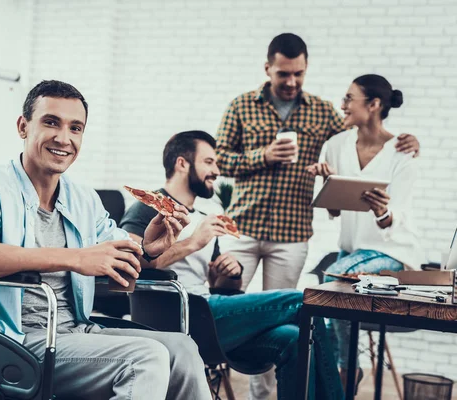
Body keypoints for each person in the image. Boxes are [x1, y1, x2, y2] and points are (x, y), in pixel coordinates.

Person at [0, 80, 212, 400]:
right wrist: (74, 257)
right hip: (8, 342)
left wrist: (147, 249)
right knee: (145, 360)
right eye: (51, 122)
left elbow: (118, 257)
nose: (63, 138)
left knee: (182, 349)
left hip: (74, 332)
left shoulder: (83, 199)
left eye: (75, 128)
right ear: (23, 126)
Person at [215, 32, 420, 398]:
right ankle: (225, 384)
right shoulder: (241, 106)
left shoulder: (324, 112)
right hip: (242, 226)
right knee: (228, 311)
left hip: (292, 233)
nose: (291, 82)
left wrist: (406, 140)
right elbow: (220, 159)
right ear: (268, 69)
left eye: (299, 74)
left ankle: (268, 396)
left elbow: (363, 138)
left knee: (277, 320)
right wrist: (263, 156)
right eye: (283, 74)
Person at [120, 130, 344, 400]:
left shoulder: (202, 217)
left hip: (207, 313)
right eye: (209, 162)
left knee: (295, 338)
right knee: (304, 302)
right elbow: (129, 263)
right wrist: (193, 242)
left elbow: (220, 287)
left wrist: (230, 273)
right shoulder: (147, 207)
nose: (217, 170)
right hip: (175, 317)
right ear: (182, 164)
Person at [307, 74, 424, 392]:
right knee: (333, 297)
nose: (342, 105)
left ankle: (343, 371)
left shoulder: (403, 150)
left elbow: (395, 218)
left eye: (349, 98)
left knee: (333, 283)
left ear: (373, 105)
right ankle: (337, 376)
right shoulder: (335, 145)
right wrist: (327, 185)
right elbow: (334, 211)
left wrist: (382, 212)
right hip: (351, 254)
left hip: (393, 253)